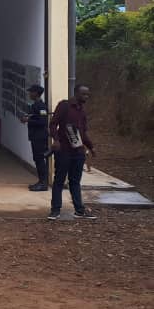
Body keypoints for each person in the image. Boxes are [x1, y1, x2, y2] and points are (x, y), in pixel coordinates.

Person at [48, 85, 98, 220]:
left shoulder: (82, 111)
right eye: (83, 94)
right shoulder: (64, 106)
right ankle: (55, 210)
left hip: (78, 152)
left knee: (75, 181)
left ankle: (79, 210)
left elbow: (83, 133)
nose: (86, 97)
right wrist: (56, 140)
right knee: (59, 181)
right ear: (76, 93)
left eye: (88, 95)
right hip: (64, 150)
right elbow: (53, 124)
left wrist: (91, 147)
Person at [19, 84, 49, 191]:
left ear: (36, 93)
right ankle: (40, 181)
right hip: (35, 136)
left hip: (39, 137)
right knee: (37, 159)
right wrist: (27, 118)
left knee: (40, 159)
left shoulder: (41, 106)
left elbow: (43, 121)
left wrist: (28, 120)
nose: (30, 94)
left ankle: (43, 183)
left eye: (31, 92)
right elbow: (34, 117)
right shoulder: (34, 105)